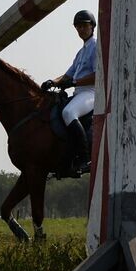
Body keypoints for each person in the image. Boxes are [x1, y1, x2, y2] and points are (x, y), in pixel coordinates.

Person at [41, 10, 98, 176]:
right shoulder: (80, 53)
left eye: (84, 25)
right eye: (78, 26)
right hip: (79, 92)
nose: (81, 29)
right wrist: (53, 81)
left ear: (92, 26)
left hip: (91, 93)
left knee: (68, 112)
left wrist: (73, 82)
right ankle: (67, 159)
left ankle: (86, 158)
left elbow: (97, 75)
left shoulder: (95, 47)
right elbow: (67, 75)